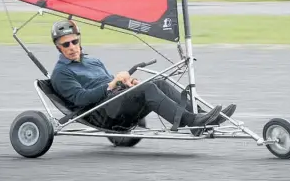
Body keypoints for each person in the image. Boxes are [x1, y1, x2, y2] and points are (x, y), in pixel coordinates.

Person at [49, 20, 236, 134]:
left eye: (75, 41)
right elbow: (82, 99)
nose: (72, 47)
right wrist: (113, 83)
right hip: (104, 114)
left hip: (115, 101)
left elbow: (109, 85)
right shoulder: (61, 73)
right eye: (66, 45)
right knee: (147, 89)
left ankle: (200, 115)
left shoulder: (93, 61)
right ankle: (193, 123)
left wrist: (127, 85)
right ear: (58, 47)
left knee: (158, 83)